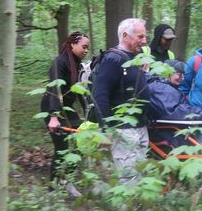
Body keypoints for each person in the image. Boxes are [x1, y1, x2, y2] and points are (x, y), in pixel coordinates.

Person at [147, 60, 202, 187]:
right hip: (169, 136)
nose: (181, 77)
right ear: (166, 72)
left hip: (174, 132)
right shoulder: (160, 88)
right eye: (177, 73)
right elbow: (177, 113)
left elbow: (181, 110)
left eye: (182, 74)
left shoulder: (166, 88)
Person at [92, 18, 151, 180]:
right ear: (125, 36)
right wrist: (105, 130)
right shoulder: (113, 59)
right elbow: (100, 95)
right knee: (129, 179)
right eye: (140, 37)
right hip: (123, 129)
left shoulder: (135, 59)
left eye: (144, 37)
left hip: (140, 127)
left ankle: (138, 205)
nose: (144, 41)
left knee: (140, 176)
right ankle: (128, 205)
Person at [40, 31, 90, 183]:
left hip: (67, 108)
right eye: (84, 46)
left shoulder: (77, 64)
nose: (86, 50)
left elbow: (80, 91)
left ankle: (67, 179)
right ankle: (53, 186)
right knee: (61, 148)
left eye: (88, 47)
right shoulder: (59, 62)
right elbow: (55, 89)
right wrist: (53, 117)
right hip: (52, 107)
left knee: (82, 141)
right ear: (73, 44)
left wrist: (89, 112)